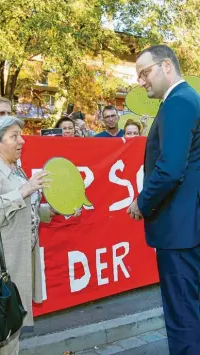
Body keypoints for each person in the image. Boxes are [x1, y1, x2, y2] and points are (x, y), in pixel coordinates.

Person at [127, 44, 200, 355]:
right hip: (186, 226)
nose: (142, 81)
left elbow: (170, 169)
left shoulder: (178, 102)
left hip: (180, 231)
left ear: (167, 66)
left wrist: (141, 203)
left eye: (145, 72)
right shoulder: (186, 100)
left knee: (183, 314)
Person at [0, 116, 51, 354]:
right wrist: (24, 190)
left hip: (13, 268)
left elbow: (23, 210)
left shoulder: (14, 169)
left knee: (10, 334)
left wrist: (49, 211)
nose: (22, 141)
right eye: (14, 136)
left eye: (20, 135)